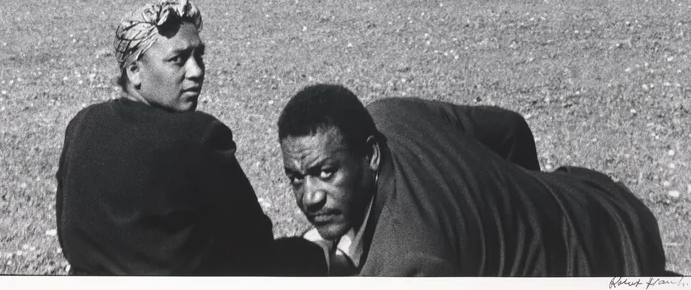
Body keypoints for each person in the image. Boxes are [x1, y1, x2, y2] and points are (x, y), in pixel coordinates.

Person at [278, 84, 669, 277]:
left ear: (371, 157)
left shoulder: (407, 263)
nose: (309, 198)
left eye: (326, 173)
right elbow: (511, 128)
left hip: (620, 264)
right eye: (295, 178)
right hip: (596, 198)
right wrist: (522, 210)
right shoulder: (387, 115)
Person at [56, 0, 323, 275]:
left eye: (199, 56)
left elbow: (69, 234)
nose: (196, 71)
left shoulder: (82, 125)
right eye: (178, 59)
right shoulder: (198, 136)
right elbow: (254, 247)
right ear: (134, 71)